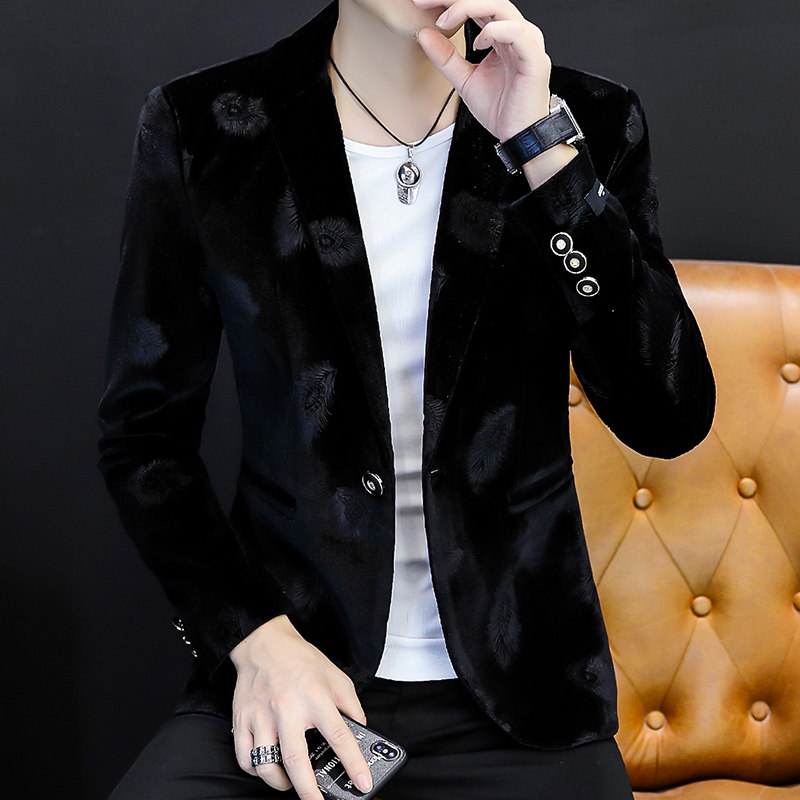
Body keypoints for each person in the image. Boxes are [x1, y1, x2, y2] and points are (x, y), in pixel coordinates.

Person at [96, 0, 716, 798]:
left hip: (521, 699)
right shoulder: (207, 125)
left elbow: (668, 416)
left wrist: (540, 150)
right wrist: (254, 639)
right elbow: (144, 439)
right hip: (293, 672)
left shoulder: (586, 119)